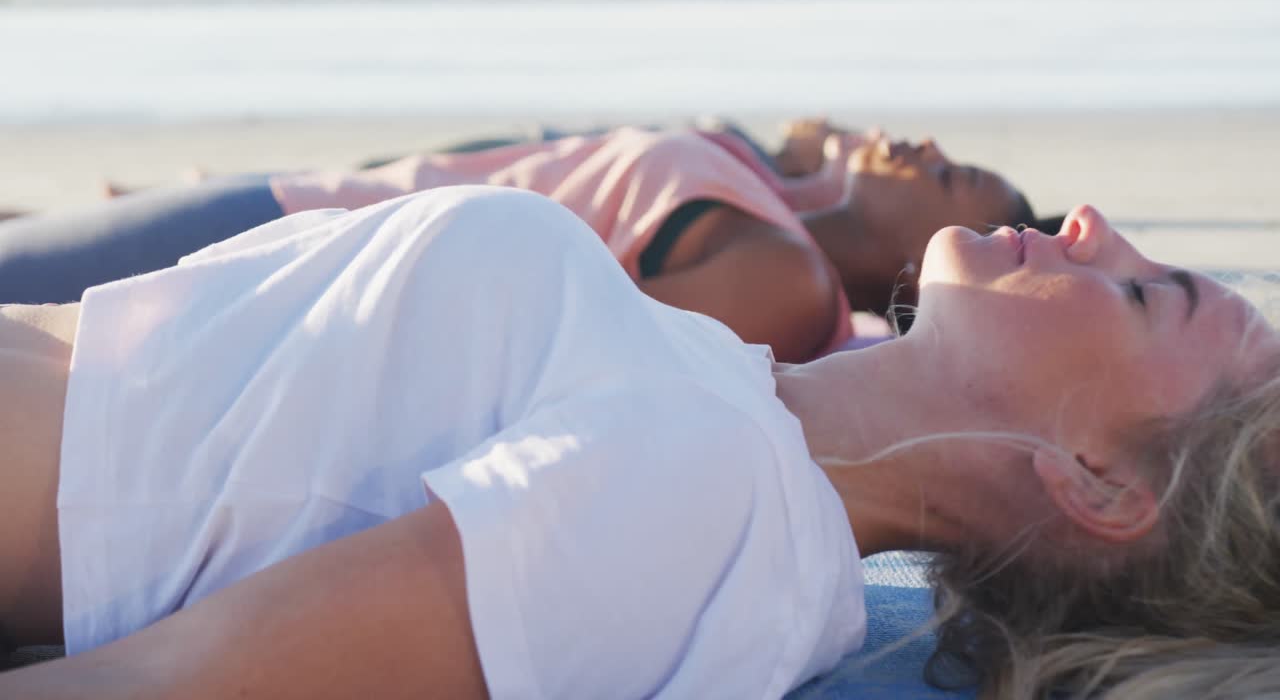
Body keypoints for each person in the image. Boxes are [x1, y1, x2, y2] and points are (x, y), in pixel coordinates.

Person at [0, 187, 1276, 699]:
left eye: (1142, 294)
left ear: (1094, 480)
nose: (1091, 222)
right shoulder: (727, 415)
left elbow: (167, 686)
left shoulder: (713, 497)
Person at [0, 122, 1047, 361]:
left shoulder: (784, 281)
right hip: (294, 207)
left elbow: (548, 360)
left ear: (923, 267)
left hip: (284, 258)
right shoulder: (767, 188)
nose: (930, 149)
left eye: (956, 178)